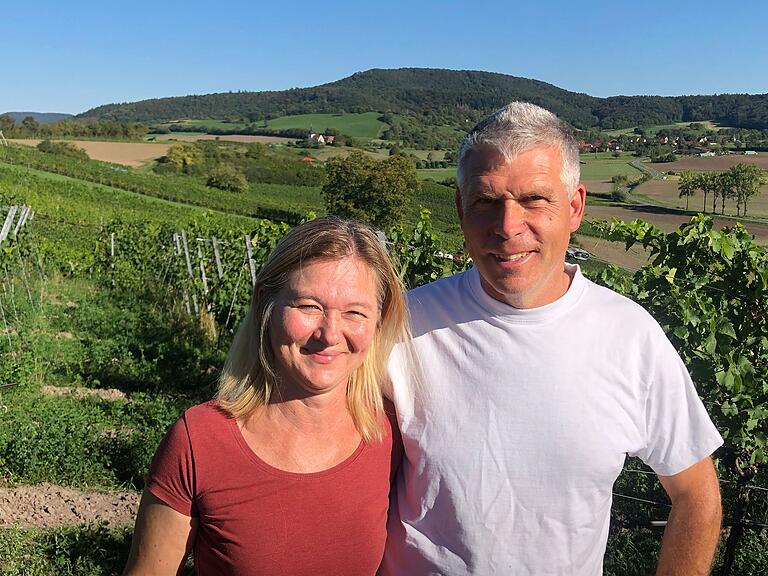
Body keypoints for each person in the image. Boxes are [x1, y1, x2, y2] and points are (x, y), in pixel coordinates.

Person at [382, 102, 723, 575]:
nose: (507, 226)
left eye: (534, 200)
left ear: (575, 207)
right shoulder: (401, 323)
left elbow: (696, 495)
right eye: (486, 202)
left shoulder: (628, 336)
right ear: (461, 210)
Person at [123, 216, 408, 575]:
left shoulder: (392, 437)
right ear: (266, 305)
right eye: (309, 306)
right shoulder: (200, 441)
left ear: (377, 324)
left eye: (355, 312)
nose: (330, 334)